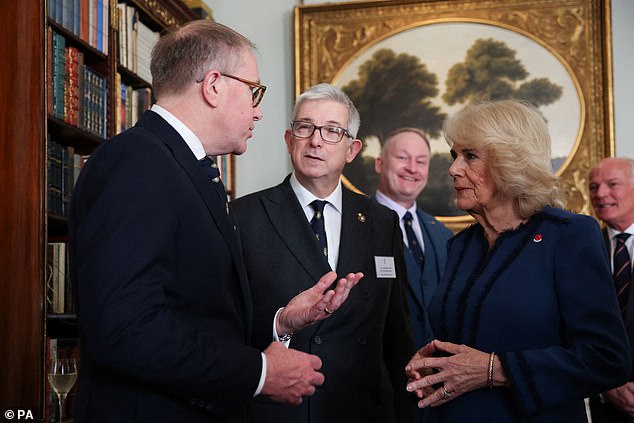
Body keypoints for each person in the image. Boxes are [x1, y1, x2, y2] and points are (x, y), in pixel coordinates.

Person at [69, 21, 362, 423]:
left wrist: (282, 320)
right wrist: (260, 373)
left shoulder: (183, 166)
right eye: (254, 91)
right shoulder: (136, 164)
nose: (258, 111)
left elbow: (194, 312)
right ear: (213, 86)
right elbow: (125, 329)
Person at [404, 99, 630, 422]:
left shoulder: (568, 236)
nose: (454, 169)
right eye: (454, 156)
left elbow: (606, 360)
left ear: (511, 164)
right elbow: (467, 341)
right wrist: (431, 368)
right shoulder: (460, 245)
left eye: (469, 156)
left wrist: (494, 369)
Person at [231, 83, 415, 423]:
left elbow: (395, 332)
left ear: (351, 149)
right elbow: (223, 326)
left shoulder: (381, 222)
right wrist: (279, 325)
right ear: (289, 140)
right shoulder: (244, 217)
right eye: (305, 127)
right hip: (280, 411)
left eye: (332, 131)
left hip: (362, 411)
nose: (316, 140)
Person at [374, 128, 453, 349]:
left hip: (438, 373)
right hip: (381, 377)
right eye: (402, 157)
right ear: (380, 164)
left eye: (421, 161)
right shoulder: (355, 224)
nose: (412, 168)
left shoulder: (442, 234)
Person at [588, 157, 634, 422]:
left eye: (612, 184)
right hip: (603, 403)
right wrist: (610, 386)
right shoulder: (580, 251)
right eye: (594, 187)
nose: (601, 194)